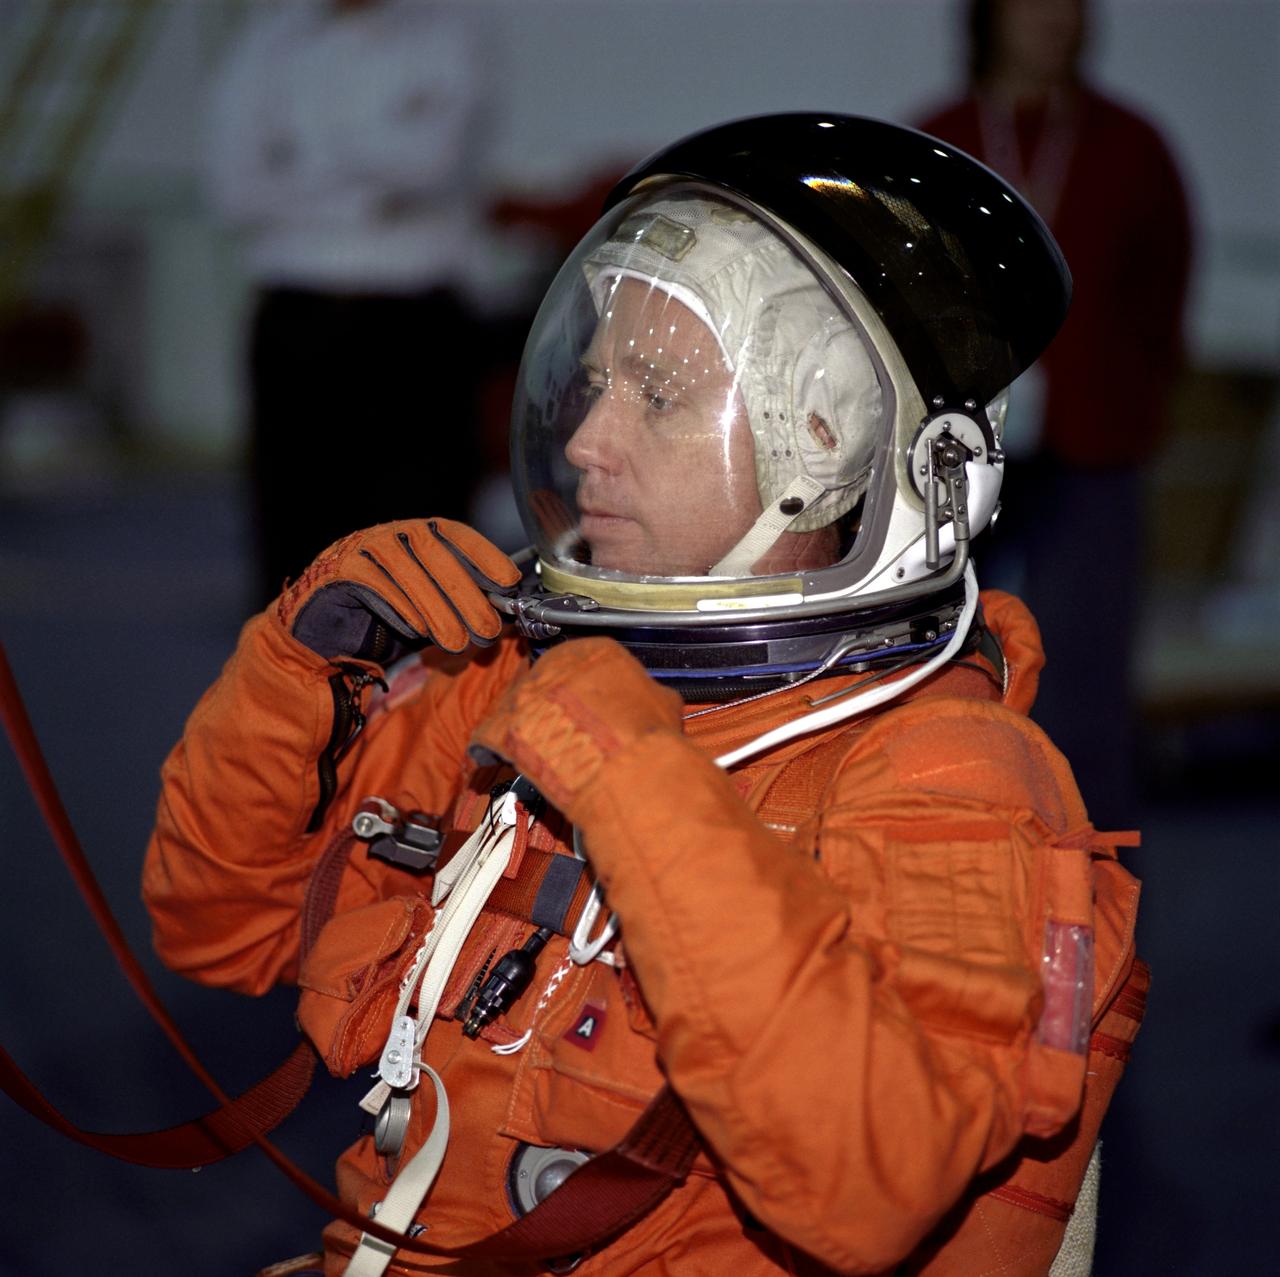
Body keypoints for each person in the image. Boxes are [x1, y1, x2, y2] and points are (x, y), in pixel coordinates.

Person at [145, 114, 1146, 1276]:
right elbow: (220, 924)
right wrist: (296, 678)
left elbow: (867, 1184)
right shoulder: (519, 687)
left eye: (656, 395)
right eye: (592, 383)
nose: (585, 440)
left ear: (813, 441)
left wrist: (627, 772)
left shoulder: (949, 779)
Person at [917, 0, 1194, 828]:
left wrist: (1131, 408)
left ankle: (1095, 916)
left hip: (1094, 454)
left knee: (1088, 690)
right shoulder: (940, 139)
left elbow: (1163, 300)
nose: (1055, 17)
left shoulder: (1133, 147)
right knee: (940, 666)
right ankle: (945, 867)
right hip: (957, 455)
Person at [204, 0, 492, 605]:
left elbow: (434, 164)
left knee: (427, 543)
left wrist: (303, 154)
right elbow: (235, 190)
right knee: (294, 539)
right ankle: (293, 690)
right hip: (298, 322)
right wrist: (379, 163)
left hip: (415, 325)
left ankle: (435, 696)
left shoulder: (446, 33)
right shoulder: (267, 44)